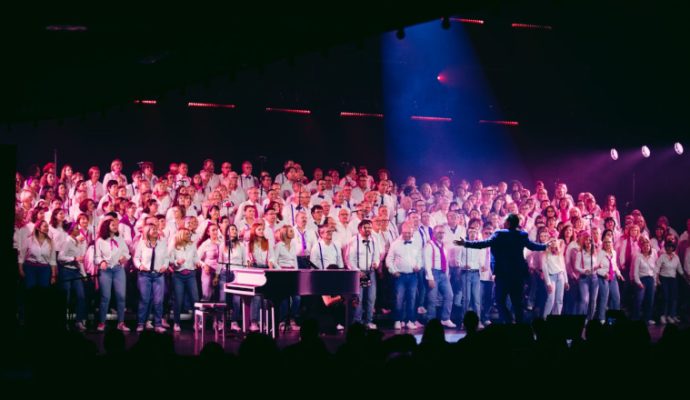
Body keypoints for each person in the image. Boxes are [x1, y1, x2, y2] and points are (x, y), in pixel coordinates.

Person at [455, 213, 552, 324]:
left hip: (503, 275)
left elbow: (484, 243)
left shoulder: (499, 234)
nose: (503, 222)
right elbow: (533, 246)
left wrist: (466, 243)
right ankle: (519, 327)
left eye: (505, 221)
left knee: (500, 301)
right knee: (517, 303)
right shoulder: (522, 235)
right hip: (517, 275)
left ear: (508, 223)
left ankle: (509, 321)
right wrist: (545, 246)